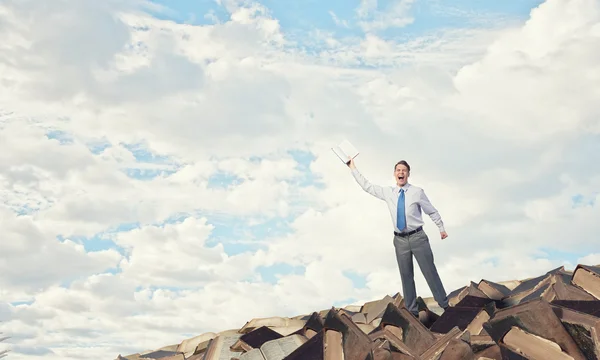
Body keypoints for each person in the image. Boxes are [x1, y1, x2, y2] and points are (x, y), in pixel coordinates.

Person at [347, 157, 449, 316]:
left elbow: (431, 210)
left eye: (404, 170)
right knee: (406, 276)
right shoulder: (388, 192)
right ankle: (412, 313)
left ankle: (445, 306)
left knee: (430, 272)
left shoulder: (417, 192)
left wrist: (441, 228)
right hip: (400, 240)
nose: (401, 173)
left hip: (418, 238)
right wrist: (352, 167)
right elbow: (367, 186)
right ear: (395, 174)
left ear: (408, 174)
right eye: (398, 170)